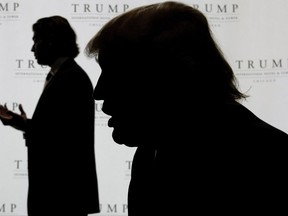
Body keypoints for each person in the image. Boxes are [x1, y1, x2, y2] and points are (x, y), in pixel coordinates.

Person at [85, 1, 288, 215]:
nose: (98, 92)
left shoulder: (266, 160)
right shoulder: (150, 152)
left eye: (116, 74)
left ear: (171, 77)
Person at [0, 16, 100, 216]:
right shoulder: (65, 75)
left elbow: (62, 141)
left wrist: (26, 125)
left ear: (52, 41)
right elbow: (55, 130)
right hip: (59, 196)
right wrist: (22, 123)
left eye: (36, 40)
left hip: (61, 197)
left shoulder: (70, 78)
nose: (32, 48)